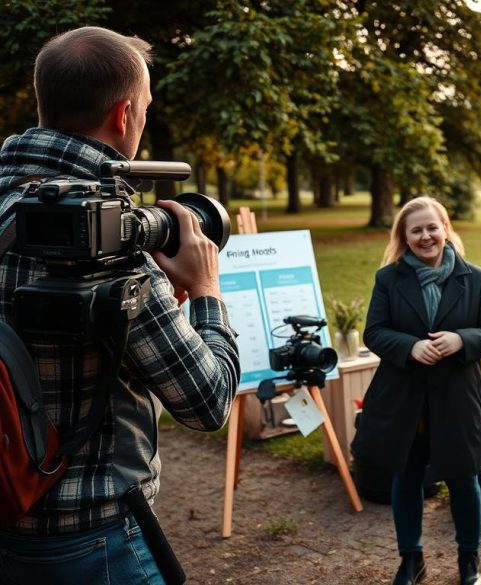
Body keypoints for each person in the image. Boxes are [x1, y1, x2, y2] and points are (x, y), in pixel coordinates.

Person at [0, 26, 240, 583]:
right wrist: (204, 290)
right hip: (94, 540)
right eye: (147, 109)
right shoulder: (104, 239)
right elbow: (207, 402)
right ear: (124, 114)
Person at [352, 196, 481, 585]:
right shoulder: (388, 278)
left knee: (463, 479)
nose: (426, 236)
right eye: (416, 230)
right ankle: (411, 559)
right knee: (406, 478)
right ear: (404, 237)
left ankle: (469, 561)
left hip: (457, 400)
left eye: (432, 227)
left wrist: (460, 340)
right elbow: (374, 332)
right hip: (405, 401)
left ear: (445, 229)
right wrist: (409, 346)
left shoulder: (476, 278)